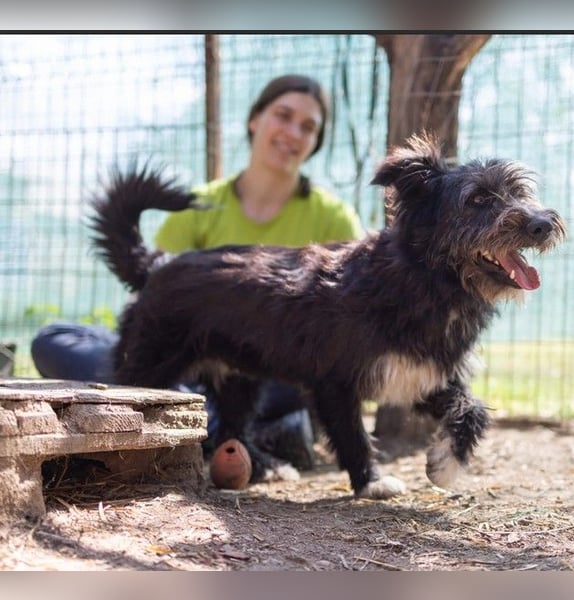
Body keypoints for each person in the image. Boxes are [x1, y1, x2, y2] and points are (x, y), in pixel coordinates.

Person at [31, 74, 365, 478]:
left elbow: (349, 325)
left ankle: (179, 416)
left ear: (315, 142)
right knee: (54, 339)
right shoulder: (203, 203)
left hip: (270, 368)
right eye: (283, 115)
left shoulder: (333, 217)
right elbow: (153, 289)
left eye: (308, 126)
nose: (293, 132)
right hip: (186, 347)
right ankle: (227, 429)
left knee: (309, 378)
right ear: (255, 119)